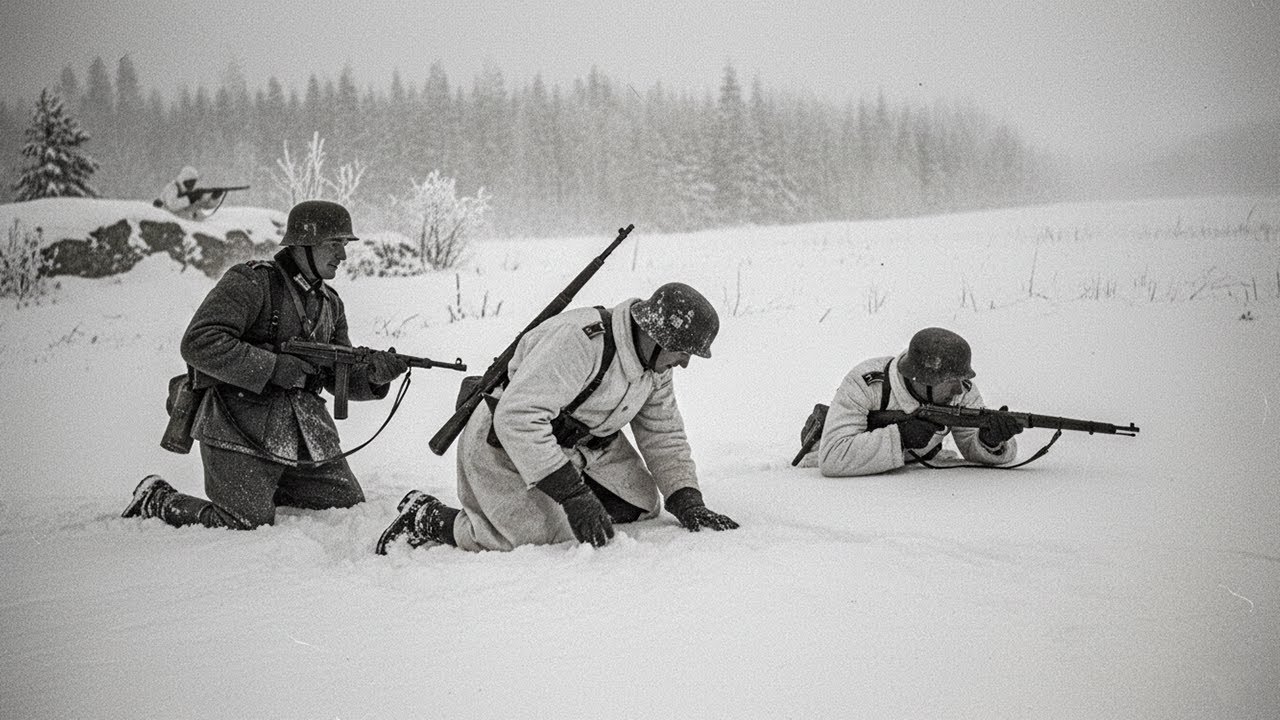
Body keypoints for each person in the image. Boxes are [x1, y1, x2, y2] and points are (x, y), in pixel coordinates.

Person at [377, 282, 739, 553]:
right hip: (507, 438)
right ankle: (427, 517)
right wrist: (572, 494)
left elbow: (663, 432)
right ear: (657, 336)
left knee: (638, 505)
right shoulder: (579, 341)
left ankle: (557, 497)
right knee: (523, 537)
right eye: (683, 352)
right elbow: (518, 418)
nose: (685, 363)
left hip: (583, 446)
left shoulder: (657, 366)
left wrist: (687, 501)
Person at [123, 200, 409, 529]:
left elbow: (336, 375)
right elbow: (199, 341)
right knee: (244, 522)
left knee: (345, 506)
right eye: (334, 244)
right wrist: (273, 367)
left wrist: (373, 376)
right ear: (304, 244)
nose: (343, 255)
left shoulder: (330, 303)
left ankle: (271, 485)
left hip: (303, 433)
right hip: (239, 425)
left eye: (344, 244)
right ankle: (157, 498)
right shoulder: (252, 281)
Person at [814, 327, 1022, 477]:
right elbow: (832, 457)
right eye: (950, 381)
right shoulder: (866, 383)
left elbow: (970, 444)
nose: (959, 389)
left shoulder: (961, 391)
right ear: (923, 379)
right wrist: (900, 437)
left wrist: (989, 441)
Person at [154, 166, 223, 221]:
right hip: (168, 221)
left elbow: (204, 206)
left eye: (194, 182)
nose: (192, 184)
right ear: (184, 180)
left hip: (186, 223)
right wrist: (190, 199)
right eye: (190, 181)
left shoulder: (189, 192)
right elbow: (172, 206)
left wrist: (214, 198)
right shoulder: (172, 188)